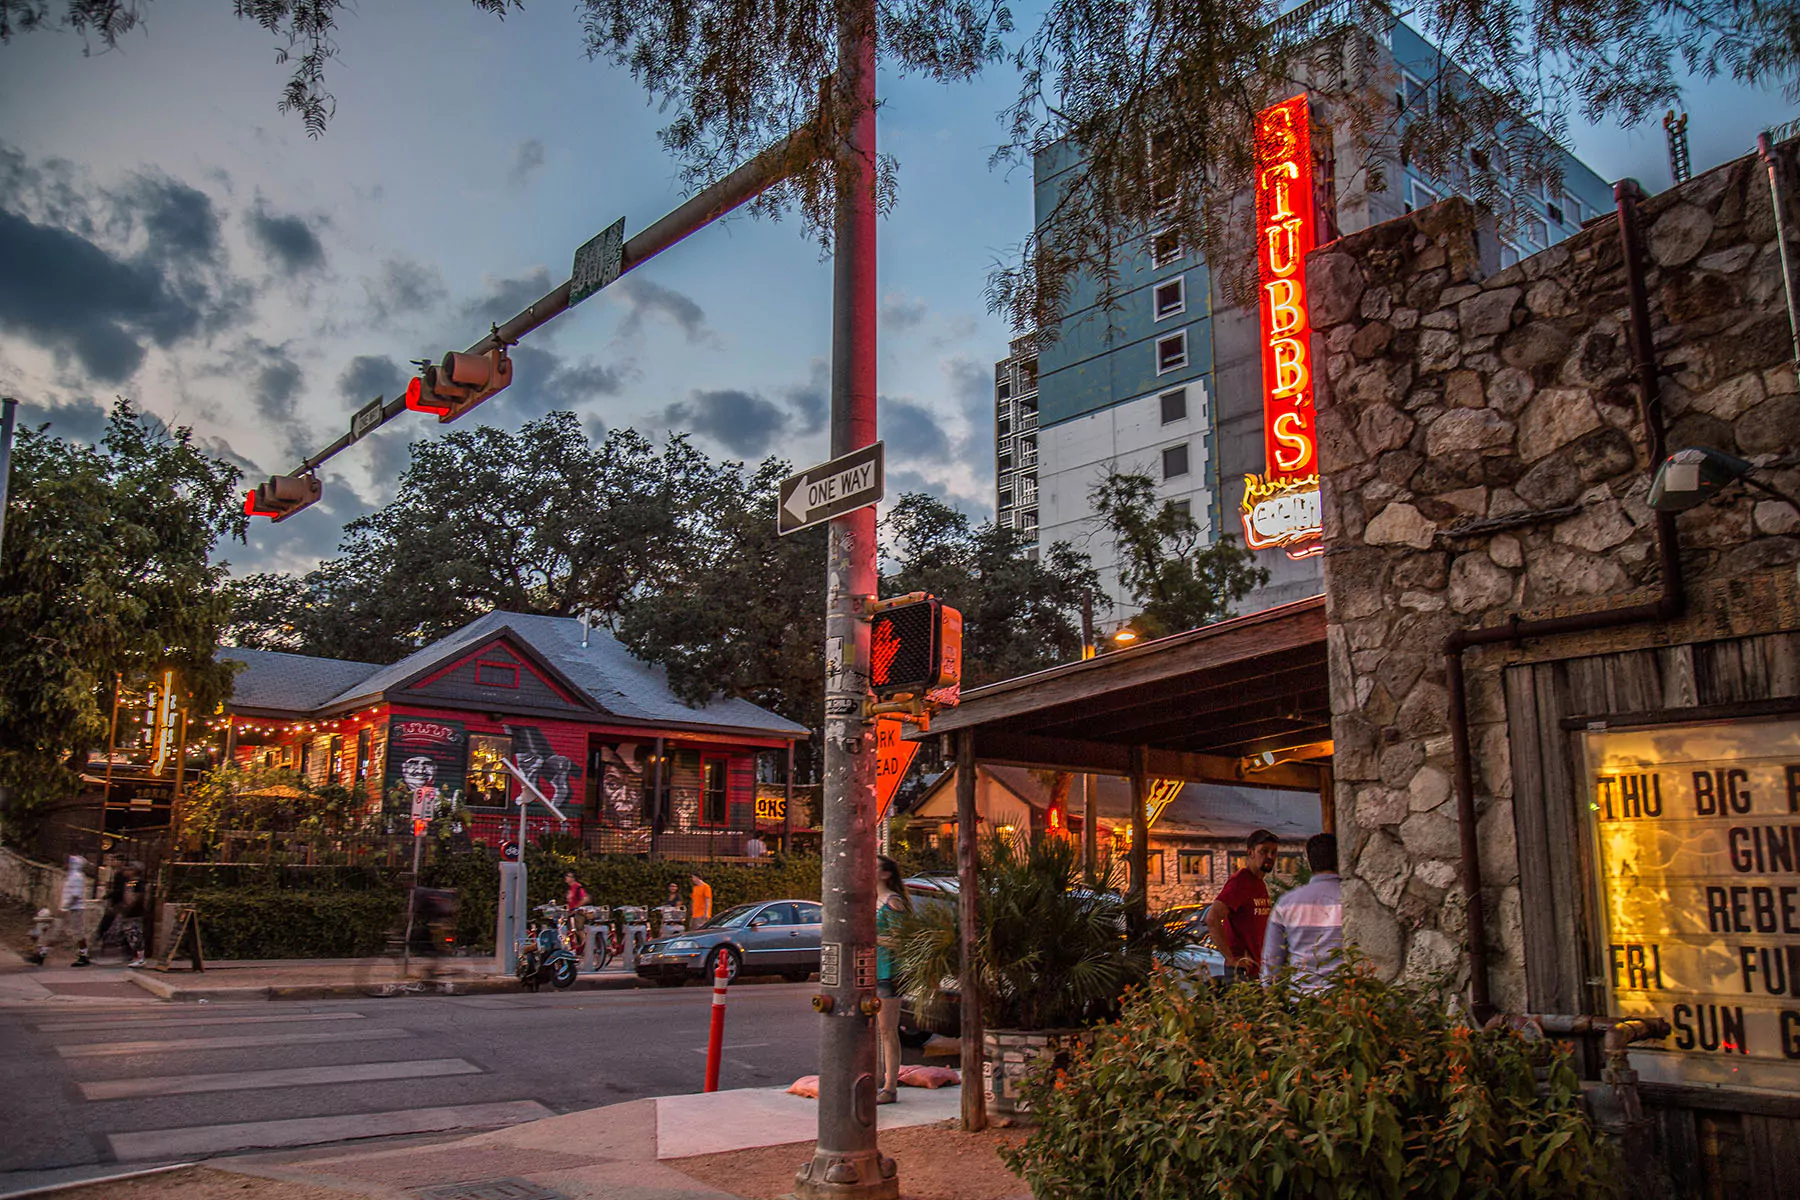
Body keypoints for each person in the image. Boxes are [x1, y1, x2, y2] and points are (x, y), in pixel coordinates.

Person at [1262, 833, 1343, 991]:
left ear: (1309, 862)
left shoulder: (1286, 903)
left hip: (1302, 996)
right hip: (1346, 997)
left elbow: (1272, 958)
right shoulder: (1351, 899)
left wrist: (1270, 991)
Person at [1205, 830, 1278, 984]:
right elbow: (1212, 918)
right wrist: (1231, 958)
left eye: (1274, 852)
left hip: (1257, 969)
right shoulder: (1240, 882)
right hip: (1241, 972)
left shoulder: (1259, 884)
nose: (1270, 857)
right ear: (1250, 852)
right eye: (1264, 851)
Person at [874, 855, 913, 1104]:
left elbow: (901, 940)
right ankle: (878, 1078)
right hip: (869, 972)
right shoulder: (870, 900)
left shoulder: (892, 902)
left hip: (888, 972)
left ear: (885, 874)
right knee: (874, 1030)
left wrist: (871, 938)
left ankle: (890, 1086)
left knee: (887, 1030)